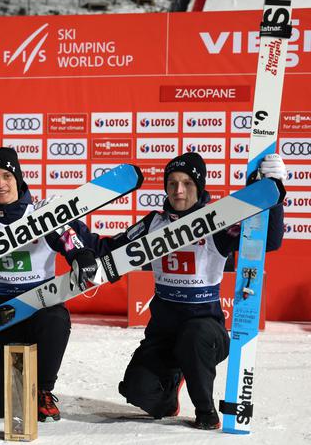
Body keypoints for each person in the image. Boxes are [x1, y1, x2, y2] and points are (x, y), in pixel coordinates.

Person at [116, 152, 286, 430]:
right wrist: (77, 245)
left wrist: (274, 190)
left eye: (186, 183)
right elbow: (114, 247)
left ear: (200, 186)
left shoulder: (216, 224)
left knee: (193, 338)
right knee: (137, 390)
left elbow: (270, 240)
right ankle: (171, 392)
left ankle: (205, 409)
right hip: (164, 334)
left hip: (206, 332)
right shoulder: (153, 224)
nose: (178, 190)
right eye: (171, 183)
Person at [0, 147, 100, 422]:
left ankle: (42, 389)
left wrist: (82, 254)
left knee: (56, 318)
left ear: (18, 177)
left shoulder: (41, 214)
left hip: (40, 305)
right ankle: (16, 374)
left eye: (6, 175)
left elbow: (69, 243)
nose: (0, 184)